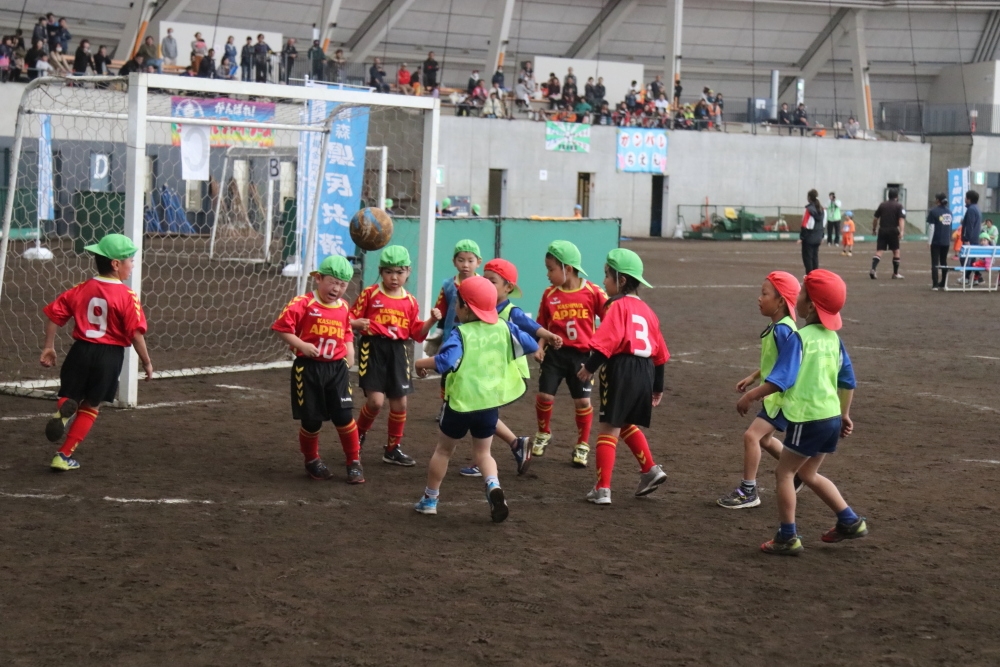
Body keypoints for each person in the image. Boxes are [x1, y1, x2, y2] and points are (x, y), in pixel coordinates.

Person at [413, 276, 539, 522]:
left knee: (443, 451)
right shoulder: (504, 327)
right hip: (488, 404)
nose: (455, 307)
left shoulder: (461, 333)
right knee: (484, 453)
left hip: (460, 404)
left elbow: (445, 362)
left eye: (457, 302)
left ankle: (430, 499)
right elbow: (531, 344)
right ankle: (493, 485)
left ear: (466, 307)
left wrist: (420, 363)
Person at [760, 269, 865, 556]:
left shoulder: (801, 337)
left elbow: (780, 380)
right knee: (808, 472)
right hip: (830, 417)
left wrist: (751, 396)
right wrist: (844, 414)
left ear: (811, 305)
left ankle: (787, 536)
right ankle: (849, 520)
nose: (798, 298)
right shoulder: (833, 338)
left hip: (807, 417)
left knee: (784, 472)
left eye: (802, 294)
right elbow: (848, 381)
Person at [39, 234, 154, 472]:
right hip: (109, 357)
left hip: (80, 351)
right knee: (91, 406)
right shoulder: (127, 296)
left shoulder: (81, 288)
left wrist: (49, 346)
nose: (132, 265)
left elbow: (54, 315)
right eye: (130, 260)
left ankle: (63, 411)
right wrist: (147, 362)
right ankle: (63, 455)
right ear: (116, 264)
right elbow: (135, 334)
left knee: (69, 394)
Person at [576, 249, 668, 505]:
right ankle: (650, 469)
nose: (604, 281)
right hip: (646, 371)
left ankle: (602, 489)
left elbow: (607, 342)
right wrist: (657, 387)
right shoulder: (648, 311)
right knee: (624, 421)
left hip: (621, 368)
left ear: (622, 280)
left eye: (607, 275)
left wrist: (589, 368)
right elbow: (661, 354)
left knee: (608, 427)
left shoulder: (617, 306)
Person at [459, 259, 564, 478]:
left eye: (492, 281)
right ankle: (515, 444)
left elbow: (532, 327)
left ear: (508, 287)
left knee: (480, 410)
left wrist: (549, 336)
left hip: (507, 372)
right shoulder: (481, 308)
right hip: (490, 372)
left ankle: (485, 459)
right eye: (484, 279)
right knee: (482, 412)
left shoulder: (510, 311)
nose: (486, 284)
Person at [272, 256, 364, 484]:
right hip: (308, 370)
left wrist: (350, 350)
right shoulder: (302, 303)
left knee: (344, 416)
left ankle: (354, 462)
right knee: (311, 422)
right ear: (318, 278)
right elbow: (281, 328)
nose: (336, 289)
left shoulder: (343, 306)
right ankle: (312, 460)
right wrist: (301, 345)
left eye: (342, 284)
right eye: (332, 282)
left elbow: (346, 330)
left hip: (337, 369)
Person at [350, 246, 442, 466]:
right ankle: (356, 438)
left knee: (400, 403)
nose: (394, 277)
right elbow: (349, 318)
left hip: (398, 351)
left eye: (400, 272)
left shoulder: (410, 301)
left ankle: (392, 449)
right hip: (372, 349)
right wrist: (355, 323)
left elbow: (416, 333)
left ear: (408, 271)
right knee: (375, 402)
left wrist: (431, 320)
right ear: (381, 272)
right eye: (389, 272)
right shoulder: (370, 294)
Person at [719, 272, 802, 509]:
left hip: (782, 398)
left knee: (751, 436)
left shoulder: (784, 330)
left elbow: (787, 371)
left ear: (781, 301)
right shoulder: (778, 327)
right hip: (777, 396)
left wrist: (751, 395)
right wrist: (754, 377)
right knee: (764, 439)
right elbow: (775, 361)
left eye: (765, 294)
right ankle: (800, 473)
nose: (759, 298)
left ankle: (748, 491)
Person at [532, 240, 608, 467]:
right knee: (545, 396)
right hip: (555, 355)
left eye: (551, 269)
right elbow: (542, 325)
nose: (547, 274)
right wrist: (539, 346)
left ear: (568, 268)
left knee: (583, 402)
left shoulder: (592, 291)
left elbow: (610, 317)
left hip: (582, 357)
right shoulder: (549, 294)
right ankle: (543, 432)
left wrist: (602, 344)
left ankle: (582, 444)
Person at [870, 187, 906, 280]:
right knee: (896, 251)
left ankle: (873, 269)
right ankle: (895, 273)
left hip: (882, 230)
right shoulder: (899, 206)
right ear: (897, 196)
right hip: (893, 230)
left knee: (879, 251)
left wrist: (874, 229)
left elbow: (875, 218)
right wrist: (902, 231)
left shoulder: (882, 205)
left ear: (888, 195)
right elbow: (901, 219)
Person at [927, 194, 952, 290]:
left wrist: (929, 241)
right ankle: (944, 282)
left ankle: (935, 284)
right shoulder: (949, 212)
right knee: (944, 261)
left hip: (936, 240)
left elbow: (931, 227)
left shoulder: (934, 211)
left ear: (938, 200)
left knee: (935, 262)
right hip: (946, 241)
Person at [799, 189, 825, 274]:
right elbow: (823, 224)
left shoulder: (808, 209)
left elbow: (804, 224)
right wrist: (821, 236)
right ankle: (815, 275)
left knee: (808, 258)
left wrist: (802, 237)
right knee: (815, 257)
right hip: (818, 237)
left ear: (809, 197)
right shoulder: (822, 209)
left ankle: (810, 276)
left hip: (809, 237)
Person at [960, 190, 983, 286]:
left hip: (970, 239)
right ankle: (975, 277)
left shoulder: (971, 210)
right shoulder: (976, 208)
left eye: (966, 198)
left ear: (969, 199)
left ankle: (968, 277)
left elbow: (969, 225)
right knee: (971, 259)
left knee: (964, 259)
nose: (965, 199)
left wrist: (966, 239)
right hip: (975, 238)